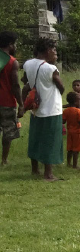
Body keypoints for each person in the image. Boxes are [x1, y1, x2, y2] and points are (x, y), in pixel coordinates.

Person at [23, 38, 65, 180]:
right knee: (51, 140)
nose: (55, 54)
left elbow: (26, 82)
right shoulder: (51, 68)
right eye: (54, 51)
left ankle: (35, 169)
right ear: (48, 50)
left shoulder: (28, 64)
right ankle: (48, 173)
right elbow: (61, 87)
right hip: (51, 108)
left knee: (36, 138)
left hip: (36, 109)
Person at [0, 31, 24, 166]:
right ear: (10, 45)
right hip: (6, 102)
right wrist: (21, 104)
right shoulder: (12, 62)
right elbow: (15, 85)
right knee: (8, 132)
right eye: (14, 44)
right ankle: (4, 160)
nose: (15, 46)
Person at [63, 92, 80, 169]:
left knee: (70, 148)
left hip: (70, 132)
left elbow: (63, 121)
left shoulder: (66, 111)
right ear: (76, 101)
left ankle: (68, 163)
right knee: (76, 150)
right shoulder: (78, 111)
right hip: (78, 132)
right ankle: (75, 165)